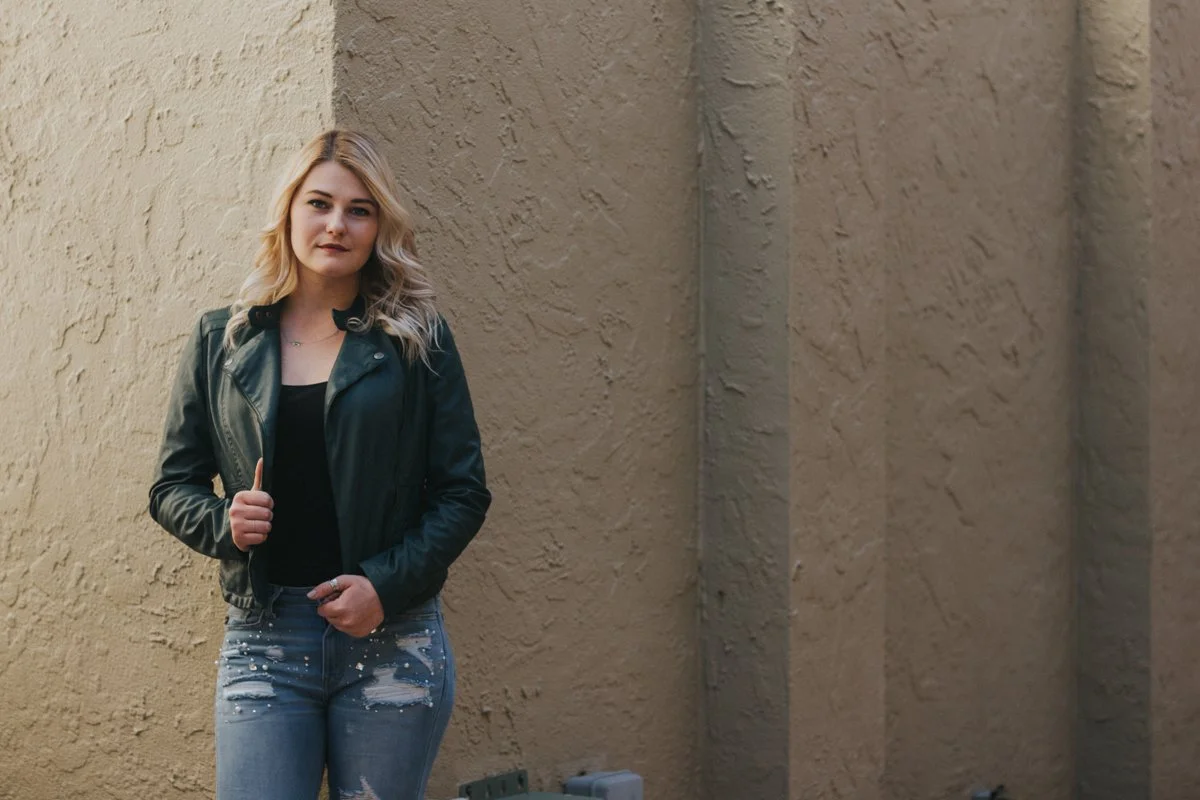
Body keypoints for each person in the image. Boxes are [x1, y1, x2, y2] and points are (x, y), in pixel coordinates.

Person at [148, 129, 491, 800]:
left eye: (359, 209)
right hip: (265, 637)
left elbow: (462, 493)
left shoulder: (417, 338)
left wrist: (382, 587)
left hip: (393, 637)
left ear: (379, 226)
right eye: (319, 203)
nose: (336, 224)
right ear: (289, 212)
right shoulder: (223, 339)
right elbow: (170, 485)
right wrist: (225, 522)